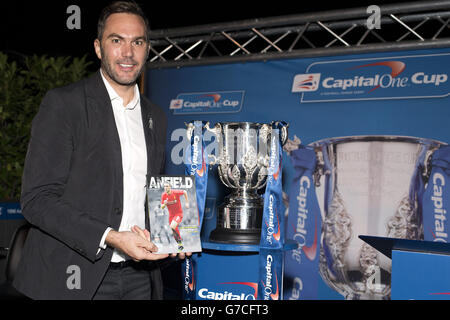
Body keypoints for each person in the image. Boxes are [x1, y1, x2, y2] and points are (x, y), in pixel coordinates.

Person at [13, 1, 184, 300]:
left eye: (137, 42)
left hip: (141, 276)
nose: (128, 53)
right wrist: (112, 238)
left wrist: (174, 235)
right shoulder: (65, 105)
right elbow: (36, 199)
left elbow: (151, 192)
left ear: (147, 49)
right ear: (98, 47)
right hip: (75, 275)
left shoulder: (156, 115)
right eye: (116, 40)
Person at [160, 183, 189, 251]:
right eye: (164, 186)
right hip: (171, 216)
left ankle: (180, 242)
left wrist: (187, 202)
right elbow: (162, 207)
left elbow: (185, 192)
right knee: (174, 230)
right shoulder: (164, 195)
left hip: (178, 214)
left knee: (172, 226)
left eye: (167, 186)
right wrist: (164, 203)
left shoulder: (175, 192)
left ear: (170, 187)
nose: (165, 187)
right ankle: (180, 244)